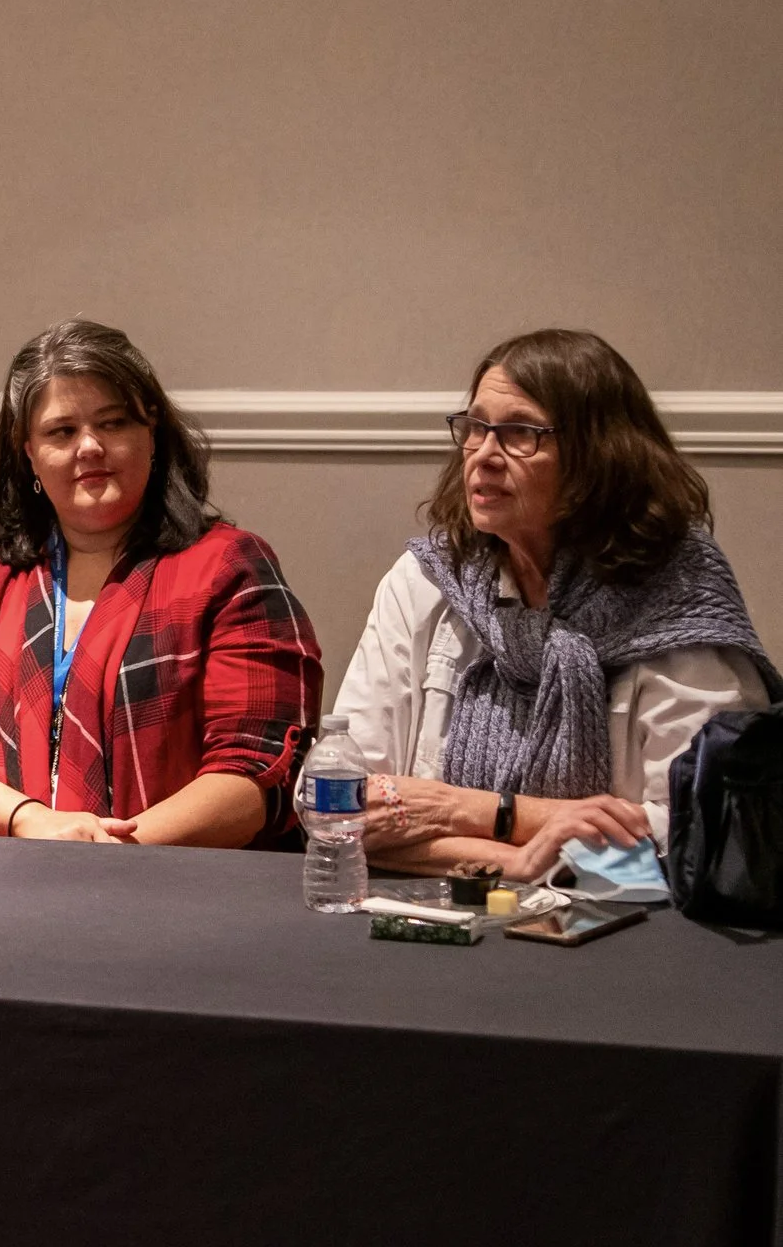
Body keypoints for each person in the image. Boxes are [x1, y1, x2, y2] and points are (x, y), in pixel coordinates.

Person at [333, 328, 778, 882]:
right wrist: (524, 856)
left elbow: (706, 835)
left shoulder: (677, 600)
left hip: (631, 936)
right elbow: (341, 805)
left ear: (600, 456)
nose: (484, 456)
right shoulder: (428, 580)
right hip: (440, 917)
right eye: (475, 428)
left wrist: (466, 810)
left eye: (520, 433)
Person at [0, 320, 322, 845]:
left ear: (152, 433)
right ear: (29, 453)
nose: (89, 447)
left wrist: (106, 857)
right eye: (61, 432)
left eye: (112, 424)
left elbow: (259, 772)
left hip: (181, 893)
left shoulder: (229, 567)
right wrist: (34, 823)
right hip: (10, 884)